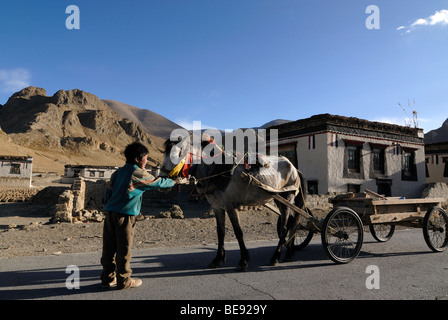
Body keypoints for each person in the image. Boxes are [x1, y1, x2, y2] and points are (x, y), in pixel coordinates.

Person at [100, 142, 179, 289]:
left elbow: (108, 191)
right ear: (138, 159)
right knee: (124, 249)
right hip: (125, 216)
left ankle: (107, 278)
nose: (147, 161)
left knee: (109, 248)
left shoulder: (118, 172)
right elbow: (157, 182)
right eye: (146, 158)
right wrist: (174, 181)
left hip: (110, 213)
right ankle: (124, 280)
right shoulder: (137, 172)